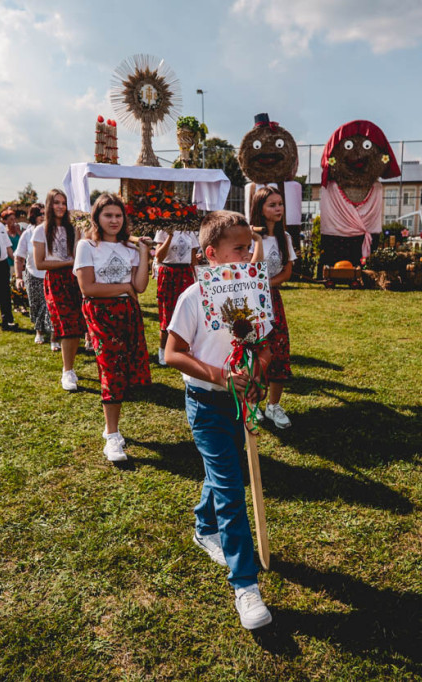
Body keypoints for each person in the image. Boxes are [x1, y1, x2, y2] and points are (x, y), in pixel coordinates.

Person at [164, 210, 272, 631]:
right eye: (239, 249)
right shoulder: (193, 297)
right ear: (212, 254)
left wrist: (256, 371)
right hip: (206, 404)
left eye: (250, 247)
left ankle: (203, 526)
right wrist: (220, 376)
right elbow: (172, 354)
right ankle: (245, 584)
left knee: (222, 470)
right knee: (230, 487)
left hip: (240, 401)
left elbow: (264, 347)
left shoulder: (254, 291)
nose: (249, 255)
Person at [73, 193, 152, 462]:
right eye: (108, 215)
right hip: (100, 313)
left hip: (128, 312)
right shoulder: (87, 246)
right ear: (97, 218)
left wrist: (143, 254)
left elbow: (140, 286)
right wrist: (124, 287)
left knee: (125, 370)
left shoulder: (130, 248)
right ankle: (112, 435)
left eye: (118, 215)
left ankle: (113, 428)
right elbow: (88, 287)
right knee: (110, 369)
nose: (114, 220)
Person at [249, 187, 295, 429]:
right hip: (251, 302)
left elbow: (287, 271)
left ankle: (274, 405)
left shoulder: (284, 238)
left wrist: (265, 284)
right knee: (254, 351)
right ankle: (253, 403)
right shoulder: (246, 237)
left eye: (280, 204)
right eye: (272, 205)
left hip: (273, 299)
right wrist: (256, 241)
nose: (278, 209)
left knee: (278, 349)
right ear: (260, 209)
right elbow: (249, 270)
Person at [35, 188, 86, 389]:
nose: (61, 207)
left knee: (75, 324)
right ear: (49, 205)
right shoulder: (41, 230)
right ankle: (67, 371)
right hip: (56, 280)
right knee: (66, 325)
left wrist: (81, 231)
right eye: (56, 202)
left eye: (63, 203)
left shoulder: (73, 228)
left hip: (74, 278)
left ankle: (70, 368)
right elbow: (40, 263)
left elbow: (78, 254)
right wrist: (68, 263)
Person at [153, 225, 200, 365]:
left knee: (188, 312)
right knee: (167, 313)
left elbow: (193, 259)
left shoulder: (190, 230)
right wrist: (170, 236)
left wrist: (199, 278)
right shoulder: (163, 230)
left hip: (185, 273)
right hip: (168, 272)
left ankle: (185, 349)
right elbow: (159, 256)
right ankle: (163, 350)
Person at [14, 215, 51, 345]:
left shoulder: (54, 231)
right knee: (36, 304)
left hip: (50, 274)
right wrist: (18, 277)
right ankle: (39, 331)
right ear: (33, 217)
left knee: (50, 306)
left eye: (44, 214)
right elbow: (19, 257)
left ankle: (54, 336)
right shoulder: (27, 234)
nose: (42, 217)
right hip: (33, 274)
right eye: (39, 214)